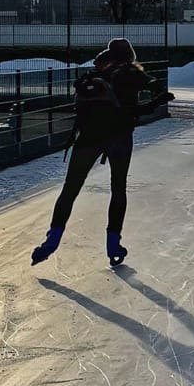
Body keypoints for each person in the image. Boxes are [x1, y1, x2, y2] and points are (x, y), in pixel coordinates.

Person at [31, 37, 174, 267]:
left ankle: (52, 240)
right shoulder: (130, 73)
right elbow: (141, 104)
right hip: (118, 139)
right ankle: (113, 244)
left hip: (88, 138)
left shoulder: (97, 73)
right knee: (118, 189)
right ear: (129, 55)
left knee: (70, 189)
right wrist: (159, 98)